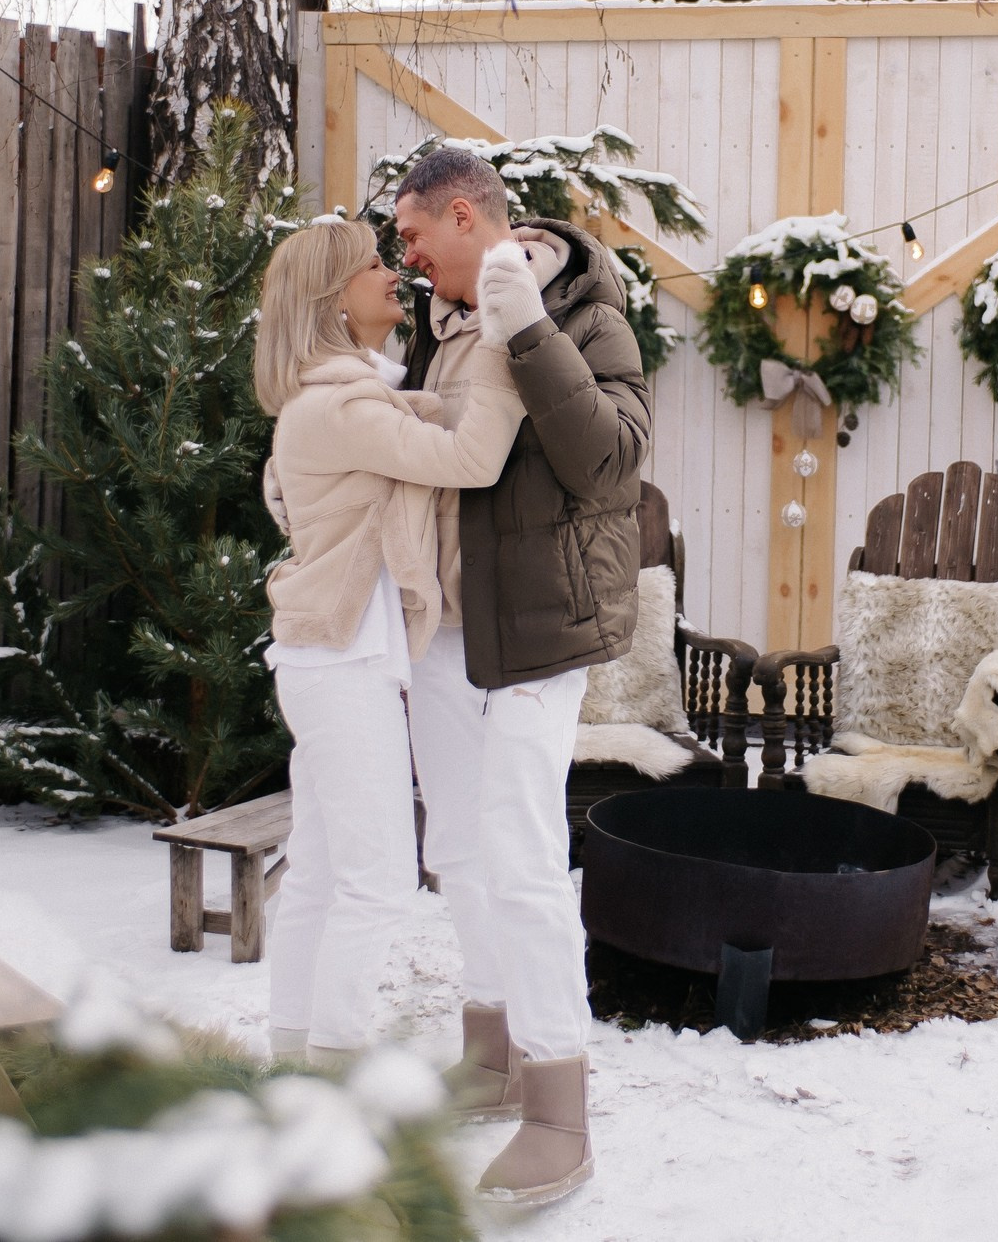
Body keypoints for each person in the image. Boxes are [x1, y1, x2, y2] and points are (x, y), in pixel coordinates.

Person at [389, 145, 650, 1208]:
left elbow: (610, 463)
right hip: (446, 626)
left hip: (542, 626)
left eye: (413, 234)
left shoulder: (587, 311)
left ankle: (558, 1108)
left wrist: (529, 332)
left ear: (465, 215)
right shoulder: (433, 324)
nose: (405, 257)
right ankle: (491, 1052)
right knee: (455, 842)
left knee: (521, 849)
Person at [251, 218, 523, 1071]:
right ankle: (331, 1068)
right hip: (341, 666)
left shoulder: (332, 398)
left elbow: (404, 421)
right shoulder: (340, 405)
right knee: (376, 885)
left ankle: (293, 1060)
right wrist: (510, 350)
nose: (392, 273)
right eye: (373, 265)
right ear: (334, 298)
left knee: (319, 873)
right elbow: (471, 459)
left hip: (325, 660)